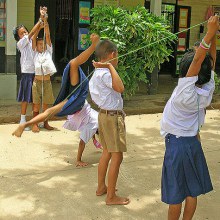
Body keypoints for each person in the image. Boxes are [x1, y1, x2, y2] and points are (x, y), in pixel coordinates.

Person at [160, 16, 219, 220]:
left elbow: (198, 60)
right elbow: (209, 63)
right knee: (191, 192)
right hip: (193, 143)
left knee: (176, 196)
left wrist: (210, 33)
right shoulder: (207, 89)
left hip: (177, 146)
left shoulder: (183, 92)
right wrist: (213, 37)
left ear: (186, 75)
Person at [12, 34, 101, 167]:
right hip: (77, 101)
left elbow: (84, 140)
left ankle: (25, 124)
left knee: (73, 63)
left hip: (77, 103)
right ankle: (24, 125)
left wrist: (79, 159)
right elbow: (87, 138)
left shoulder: (95, 123)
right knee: (50, 110)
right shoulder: (95, 123)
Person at [89, 39, 130, 205]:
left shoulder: (97, 73)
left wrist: (107, 66)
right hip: (112, 118)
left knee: (106, 152)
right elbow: (120, 88)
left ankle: (101, 187)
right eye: (117, 55)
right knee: (117, 156)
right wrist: (110, 66)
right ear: (112, 54)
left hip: (104, 115)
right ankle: (111, 196)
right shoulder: (105, 73)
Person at [13, 7, 47, 131]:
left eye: (25, 31)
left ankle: (35, 121)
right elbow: (33, 33)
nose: (25, 33)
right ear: (18, 37)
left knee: (36, 99)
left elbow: (35, 33)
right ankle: (22, 120)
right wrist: (39, 21)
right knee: (25, 98)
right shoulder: (20, 44)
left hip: (36, 73)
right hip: (27, 74)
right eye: (22, 33)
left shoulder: (32, 41)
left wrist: (42, 20)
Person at [31, 9, 56, 132]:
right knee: (36, 104)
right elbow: (34, 37)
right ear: (36, 46)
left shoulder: (48, 52)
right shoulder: (35, 53)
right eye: (39, 44)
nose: (41, 46)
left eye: (43, 44)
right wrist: (39, 24)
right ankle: (35, 124)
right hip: (37, 82)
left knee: (45, 104)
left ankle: (45, 122)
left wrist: (45, 19)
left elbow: (48, 35)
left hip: (46, 82)